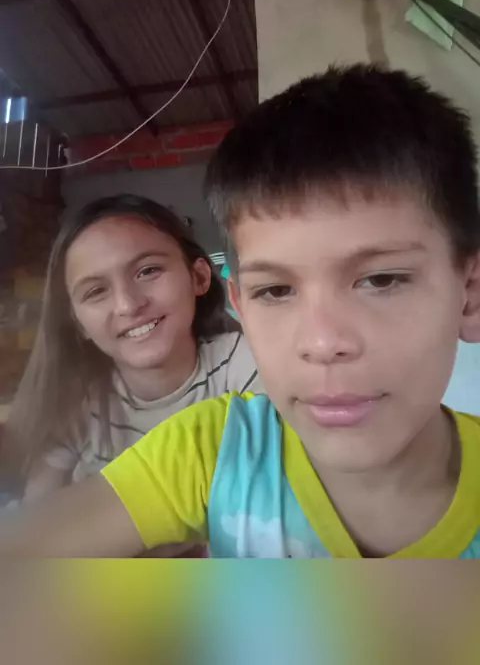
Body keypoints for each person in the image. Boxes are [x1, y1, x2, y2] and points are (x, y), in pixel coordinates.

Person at [3, 64, 480, 558]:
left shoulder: (231, 392)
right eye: (275, 290)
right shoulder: (212, 449)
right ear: (241, 307)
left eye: (381, 280)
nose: (322, 343)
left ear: (470, 293)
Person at [1, 194, 259, 555]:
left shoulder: (247, 366)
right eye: (96, 291)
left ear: (199, 277)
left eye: (147, 271)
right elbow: (36, 532)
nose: (127, 305)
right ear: (78, 323)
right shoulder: (76, 402)